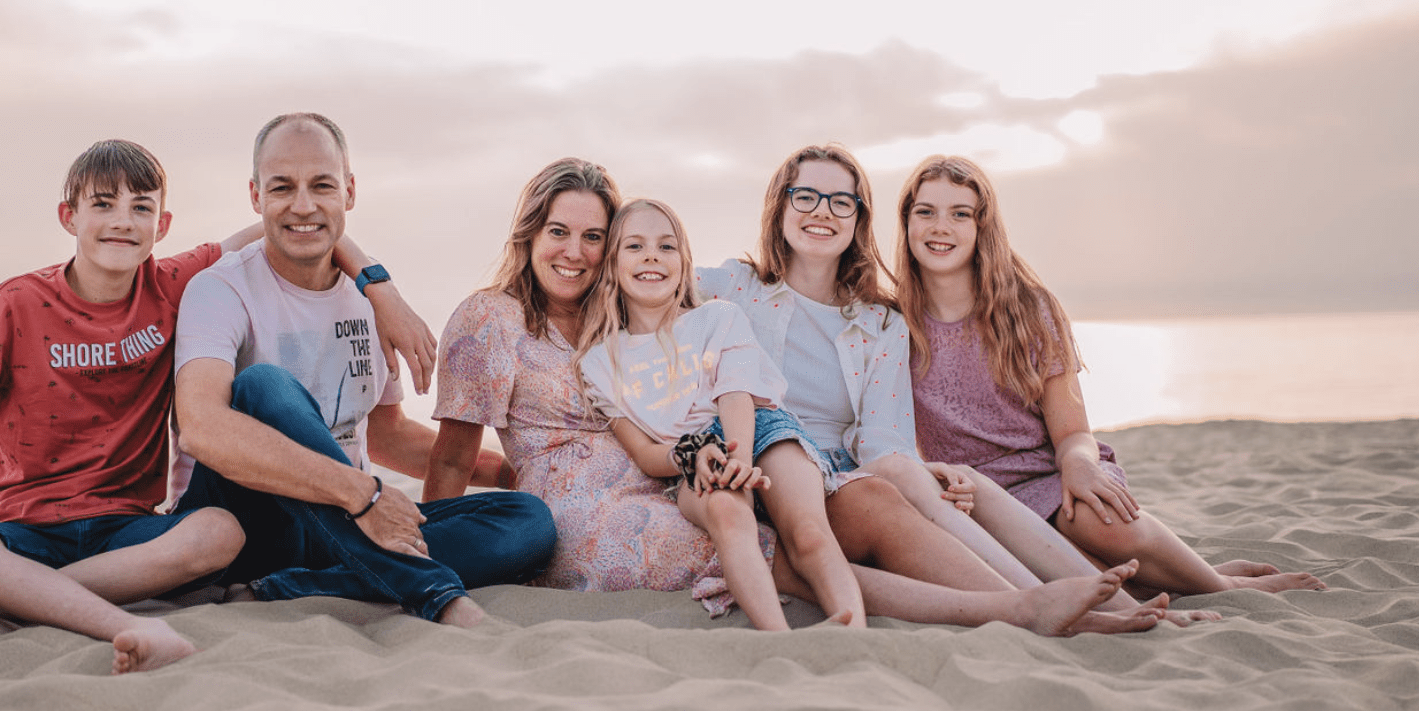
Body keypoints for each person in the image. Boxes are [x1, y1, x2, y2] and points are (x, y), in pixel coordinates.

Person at [430, 158, 1150, 636]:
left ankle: (1039, 599)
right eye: (559, 233)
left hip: (684, 475)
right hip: (589, 511)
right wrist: (426, 552)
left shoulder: (611, 314)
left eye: (593, 236)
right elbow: (454, 460)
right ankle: (1011, 609)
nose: (575, 252)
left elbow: (680, 305)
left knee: (835, 526)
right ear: (529, 235)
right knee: (784, 554)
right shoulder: (490, 319)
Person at [700, 144, 1193, 630]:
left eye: (840, 201)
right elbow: (647, 274)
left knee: (912, 469)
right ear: (779, 207)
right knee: (915, 477)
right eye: (804, 196)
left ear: (858, 219)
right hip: (764, 469)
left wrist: (916, 468)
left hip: (836, 480)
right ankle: (1041, 601)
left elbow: (882, 438)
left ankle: (1093, 603)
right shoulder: (736, 287)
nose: (821, 212)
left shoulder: (879, 322)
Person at [0, 140, 254, 674]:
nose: (123, 221)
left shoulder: (171, 284)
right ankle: (125, 624)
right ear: (69, 216)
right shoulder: (15, 303)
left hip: (122, 536)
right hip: (22, 533)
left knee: (221, 530)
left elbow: (281, 220)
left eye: (141, 207)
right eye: (103, 204)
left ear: (164, 223)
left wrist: (374, 281)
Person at [171, 113, 556, 628]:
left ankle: (299, 588)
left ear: (349, 192)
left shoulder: (368, 301)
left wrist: (511, 473)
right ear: (255, 195)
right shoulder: (220, 289)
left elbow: (388, 437)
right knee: (264, 386)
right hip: (252, 523)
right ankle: (433, 591)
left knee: (528, 521)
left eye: (322, 185)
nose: (303, 205)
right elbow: (200, 428)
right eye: (282, 187)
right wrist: (365, 496)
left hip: (344, 526)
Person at [894, 154, 1325, 596]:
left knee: (1112, 529)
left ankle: (1220, 585)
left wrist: (1079, 465)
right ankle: (1198, 576)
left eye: (960, 214)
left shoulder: (1028, 309)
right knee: (1076, 575)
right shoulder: (890, 324)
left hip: (1048, 477)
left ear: (982, 228)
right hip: (969, 497)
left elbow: (1073, 431)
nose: (940, 226)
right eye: (925, 211)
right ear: (906, 222)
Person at [573, 199, 866, 630]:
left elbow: (735, 393)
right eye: (635, 246)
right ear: (612, 265)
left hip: (756, 431)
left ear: (683, 261)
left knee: (807, 532)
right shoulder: (599, 364)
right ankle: (779, 637)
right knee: (729, 515)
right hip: (691, 455)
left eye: (666, 246)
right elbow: (644, 452)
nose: (652, 256)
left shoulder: (717, 317)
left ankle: (853, 631)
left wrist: (739, 459)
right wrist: (694, 454)